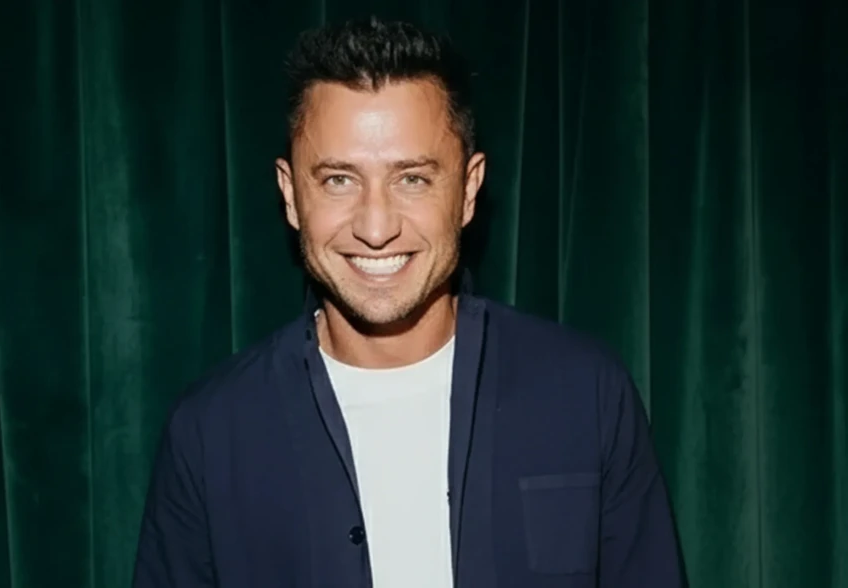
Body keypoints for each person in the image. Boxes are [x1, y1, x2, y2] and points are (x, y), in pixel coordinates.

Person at [132, 16, 684, 588]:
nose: (376, 228)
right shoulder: (209, 432)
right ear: (291, 195)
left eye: (412, 179)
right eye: (339, 180)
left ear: (468, 189)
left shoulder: (587, 393)